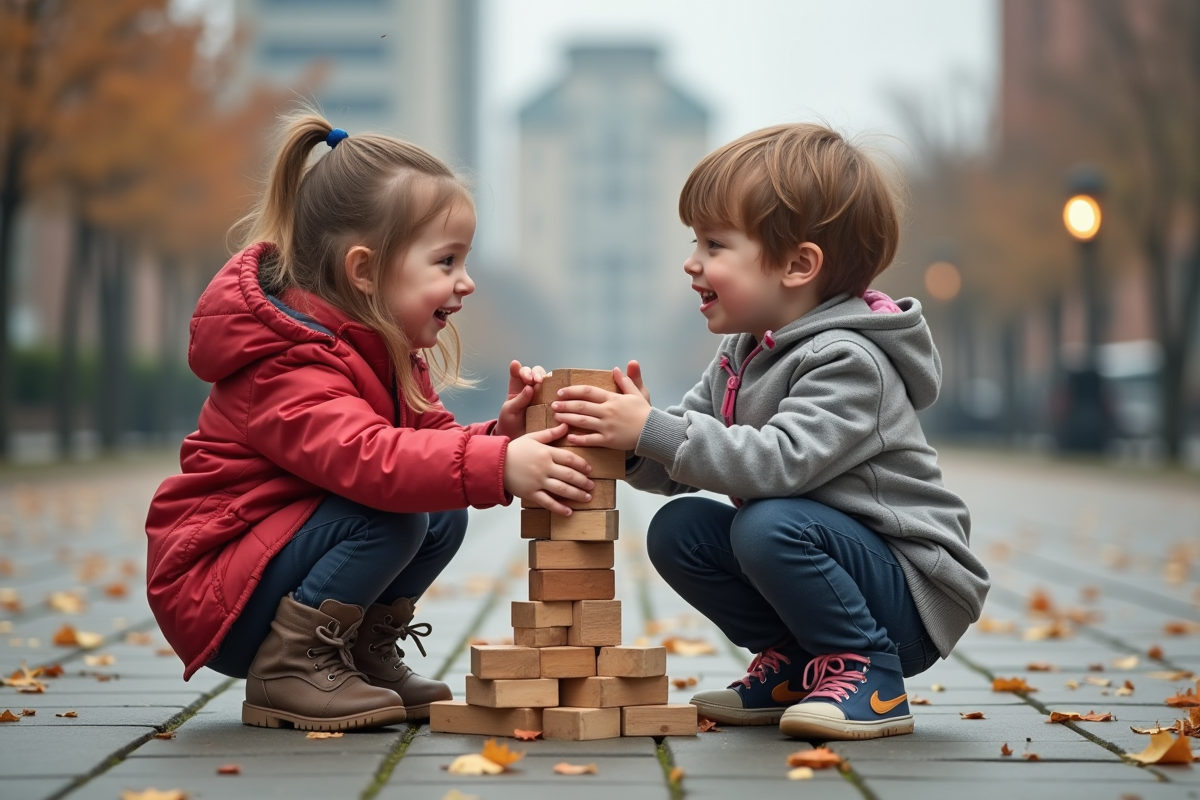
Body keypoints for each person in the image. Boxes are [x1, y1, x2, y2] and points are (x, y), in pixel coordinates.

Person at [145, 111, 596, 733]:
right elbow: (368, 458)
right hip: (218, 592)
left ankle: (356, 654)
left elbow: (429, 444)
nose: (466, 283)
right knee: (393, 512)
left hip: (269, 564)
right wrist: (498, 466)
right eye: (446, 261)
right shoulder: (287, 360)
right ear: (364, 270)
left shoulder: (381, 349)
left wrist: (501, 438)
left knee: (441, 509)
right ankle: (290, 666)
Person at [549, 123, 990, 741]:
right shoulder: (743, 352)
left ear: (797, 265)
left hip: (908, 597)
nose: (692, 262)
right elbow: (685, 461)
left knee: (768, 523)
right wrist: (629, 445)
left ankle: (871, 675)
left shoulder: (849, 360)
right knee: (679, 531)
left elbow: (779, 464)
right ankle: (797, 665)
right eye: (695, 241)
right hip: (826, 556)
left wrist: (653, 429)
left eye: (714, 245)